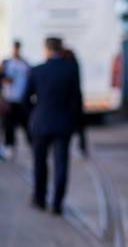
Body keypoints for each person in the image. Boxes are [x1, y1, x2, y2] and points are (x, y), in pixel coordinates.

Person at [24, 37, 82, 215]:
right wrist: (74, 124)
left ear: (46, 50)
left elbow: (25, 99)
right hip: (63, 124)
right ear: (60, 49)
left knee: (39, 163)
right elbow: (77, 101)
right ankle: (57, 204)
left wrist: (33, 116)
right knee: (61, 164)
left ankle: (40, 198)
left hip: (40, 123)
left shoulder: (36, 70)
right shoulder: (70, 70)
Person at [0, 41, 31, 159]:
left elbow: (30, 79)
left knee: (26, 123)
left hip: (21, 99)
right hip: (9, 99)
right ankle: (9, 146)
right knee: (9, 125)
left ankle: (31, 144)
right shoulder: (6, 62)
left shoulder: (24, 63)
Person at [62, 47, 87, 156]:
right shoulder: (74, 66)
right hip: (76, 101)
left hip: (70, 103)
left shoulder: (69, 68)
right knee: (80, 127)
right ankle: (82, 148)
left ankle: (79, 147)